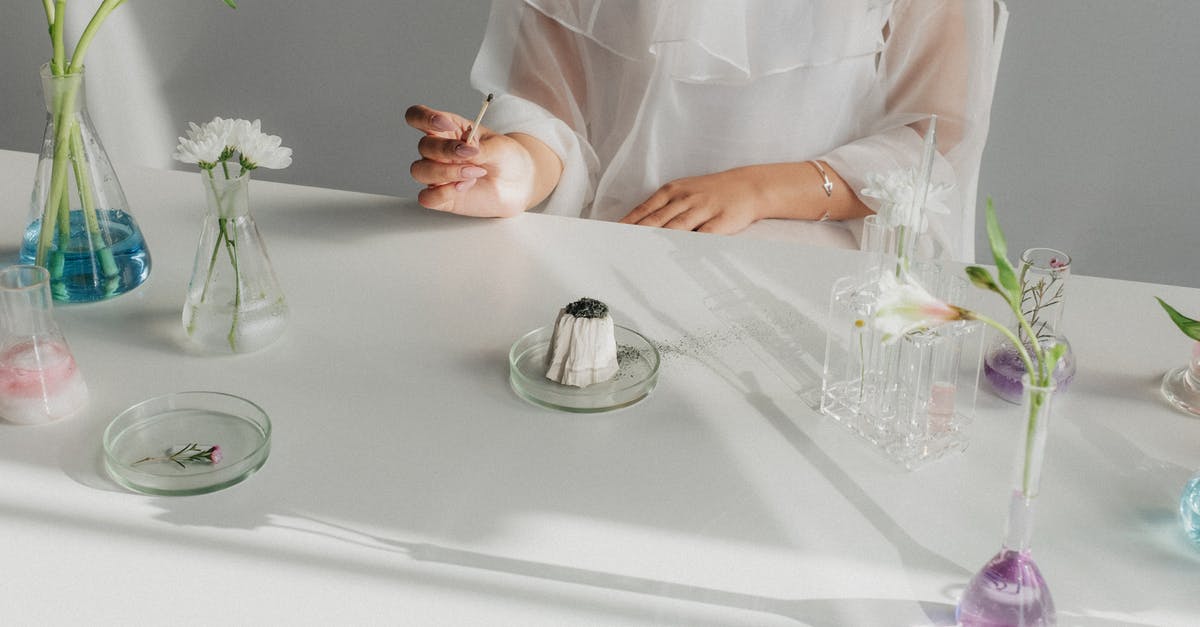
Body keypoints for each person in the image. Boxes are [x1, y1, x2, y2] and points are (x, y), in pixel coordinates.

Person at [407, 0, 1002, 261]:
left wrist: (758, 189)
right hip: (617, 253)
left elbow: (928, 149)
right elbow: (554, 115)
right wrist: (516, 167)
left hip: (813, 274)